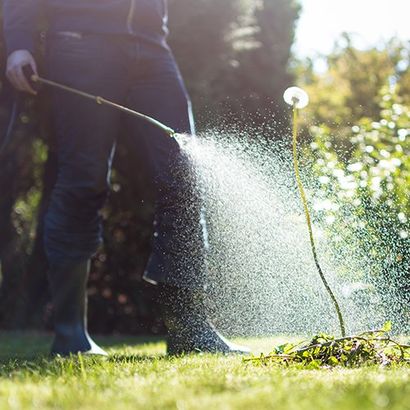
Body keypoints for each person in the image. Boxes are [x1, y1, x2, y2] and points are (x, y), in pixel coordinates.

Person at [3, 0, 249, 356]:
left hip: (152, 46)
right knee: (83, 181)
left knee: (185, 174)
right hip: (80, 40)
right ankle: (70, 333)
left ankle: (189, 330)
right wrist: (19, 42)